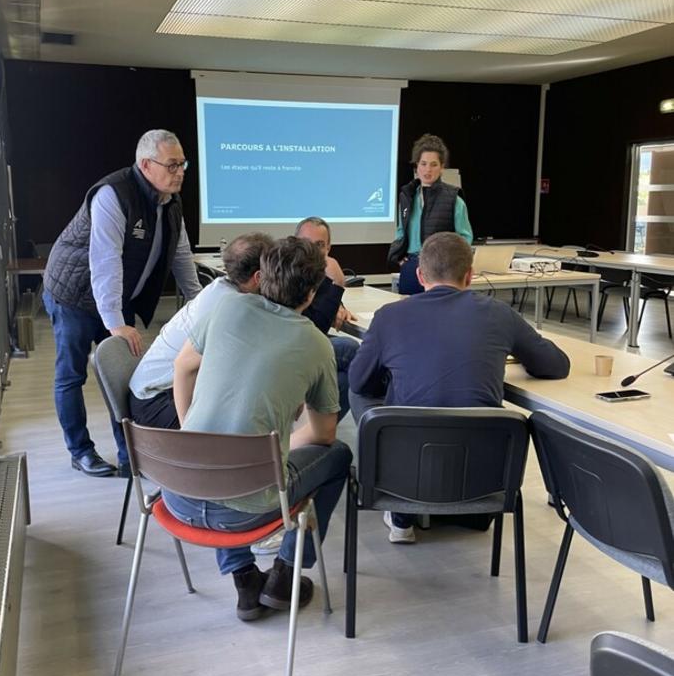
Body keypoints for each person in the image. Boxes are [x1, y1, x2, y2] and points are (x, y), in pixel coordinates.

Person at [165, 236, 352, 622]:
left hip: (176, 492)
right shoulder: (316, 344)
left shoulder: (227, 306)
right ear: (314, 292)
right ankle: (286, 573)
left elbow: (183, 366)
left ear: (261, 277)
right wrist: (274, 451)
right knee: (340, 456)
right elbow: (324, 435)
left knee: (222, 457)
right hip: (244, 513)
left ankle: (245, 582)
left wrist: (189, 436)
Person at [349, 231, 570, 544]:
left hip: (406, 472)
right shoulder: (500, 314)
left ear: (419, 275)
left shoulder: (389, 316)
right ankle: (471, 508)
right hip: (485, 476)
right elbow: (556, 366)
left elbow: (359, 381)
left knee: (365, 392)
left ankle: (401, 515)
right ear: (470, 275)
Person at [42, 129, 201, 478]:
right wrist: (115, 323)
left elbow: (181, 254)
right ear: (146, 165)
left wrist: (201, 304)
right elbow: (105, 261)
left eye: (183, 164)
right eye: (173, 164)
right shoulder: (113, 195)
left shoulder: (170, 200)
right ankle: (80, 451)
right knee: (71, 373)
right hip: (74, 293)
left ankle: (131, 456)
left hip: (114, 295)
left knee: (124, 375)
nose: (180, 171)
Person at [127, 232, 273, 429]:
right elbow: (185, 367)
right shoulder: (231, 305)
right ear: (259, 277)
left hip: (156, 394)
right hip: (157, 402)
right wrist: (190, 431)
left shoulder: (221, 288)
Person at [388, 133, 473, 296]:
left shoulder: (454, 199)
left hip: (442, 270)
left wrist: (454, 265)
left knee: (440, 317)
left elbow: (465, 238)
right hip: (412, 266)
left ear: (442, 167)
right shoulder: (407, 196)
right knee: (410, 317)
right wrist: (399, 258)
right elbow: (401, 231)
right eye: (423, 164)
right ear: (416, 166)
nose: (428, 169)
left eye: (433, 164)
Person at [295, 216, 359, 419]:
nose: (314, 251)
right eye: (307, 244)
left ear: (329, 248)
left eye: (320, 245)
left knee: (345, 372)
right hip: (292, 347)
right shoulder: (290, 272)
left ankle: (314, 425)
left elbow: (317, 298)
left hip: (297, 341)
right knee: (351, 351)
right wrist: (338, 284)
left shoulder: (309, 271)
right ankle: (317, 429)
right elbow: (316, 329)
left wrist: (337, 304)